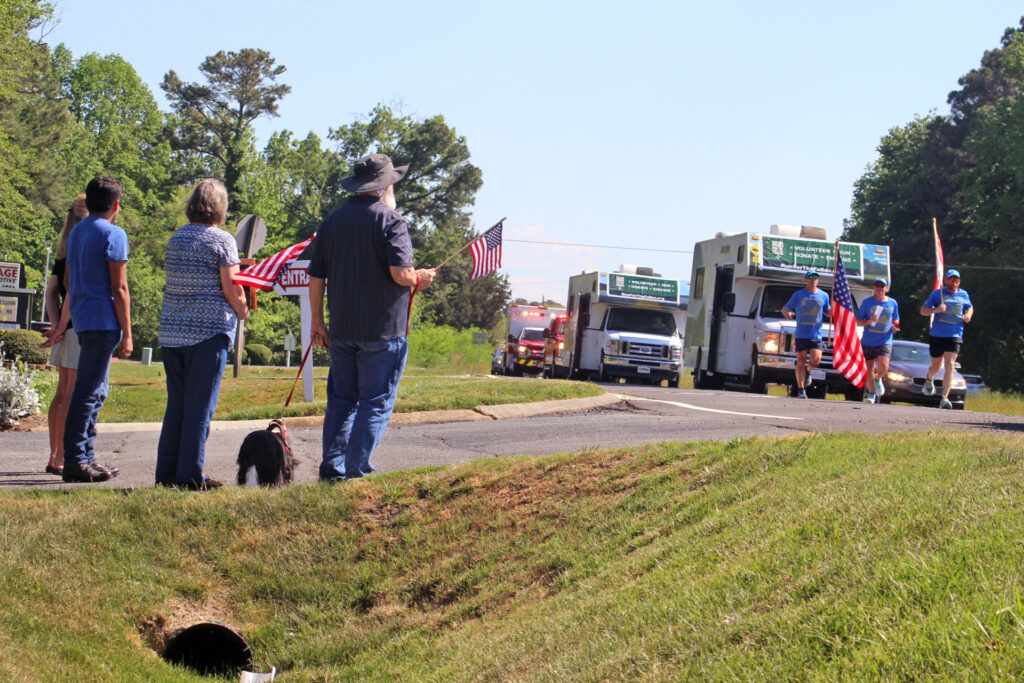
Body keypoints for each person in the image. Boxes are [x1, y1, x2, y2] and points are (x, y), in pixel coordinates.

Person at [307, 153, 436, 482]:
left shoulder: (332, 221)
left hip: (341, 329)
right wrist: (418, 277)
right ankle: (357, 470)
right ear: (385, 187)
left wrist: (317, 323)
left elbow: (316, 277)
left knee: (341, 401)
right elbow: (399, 272)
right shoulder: (392, 222)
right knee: (375, 402)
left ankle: (331, 469)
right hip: (382, 333)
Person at [155, 179, 249, 490]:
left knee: (177, 407)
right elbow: (232, 287)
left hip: (172, 332)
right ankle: (190, 476)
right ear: (219, 208)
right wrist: (243, 310)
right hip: (207, 333)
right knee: (200, 408)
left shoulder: (176, 238)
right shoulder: (222, 241)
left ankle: (166, 475)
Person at [61, 175, 132, 483]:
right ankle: (75, 459)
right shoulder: (114, 234)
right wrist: (128, 332)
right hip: (104, 321)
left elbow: (67, 280)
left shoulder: (76, 233)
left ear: (87, 202)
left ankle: (87, 456)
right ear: (116, 205)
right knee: (88, 391)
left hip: (83, 318)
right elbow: (119, 288)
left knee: (95, 390)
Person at [39, 194, 88, 476]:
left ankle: (54, 453)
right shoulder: (81, 249)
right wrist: (62, 326)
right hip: (78, 327)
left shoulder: (63, 251)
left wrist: (57, 323)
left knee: (61, 394)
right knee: (70, 394)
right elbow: (75, 291)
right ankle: (61, 455)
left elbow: (51, 292)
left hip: (65, 329)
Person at [920, 269, 973, 409]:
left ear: (959, 282)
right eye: (950, 280)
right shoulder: (938, 294)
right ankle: (929, 378)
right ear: (945, 281)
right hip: (937, 334)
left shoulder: (963, 294)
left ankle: (944, 398)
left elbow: (969, 307)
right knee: (936, 366)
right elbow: (923, 310)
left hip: (955, 334)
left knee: (950, 364)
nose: (953, 282)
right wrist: (935, 310)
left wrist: (968, 315)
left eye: (956, 280)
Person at [782, 270, 831, 399]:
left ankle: (808, 371)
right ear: (805, 280)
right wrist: (786, 313)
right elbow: (786, 308)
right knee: (801, 360)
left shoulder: (824, 295)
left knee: (816, 360)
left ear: (818, 280)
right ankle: (801, 389)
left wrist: (834, 312)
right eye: (810, 277)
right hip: (801, 333)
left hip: (816, 334)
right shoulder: (798, 295)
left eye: (816, 277)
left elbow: (827, 312)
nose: (813, 279)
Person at [856, 277, 900, 404]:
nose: (880, 288)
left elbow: (896, 319)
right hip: (868, 340)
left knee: (884, 366)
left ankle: (878, 378)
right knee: (869, 367)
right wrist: (869, 321)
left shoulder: (892, 303)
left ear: (886, 288)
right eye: (877, 286)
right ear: (874, 288)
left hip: (885, 340)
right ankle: (871, 394)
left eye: (882, 286)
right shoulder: (867, 302)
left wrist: (895, 326)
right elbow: (859, 321)